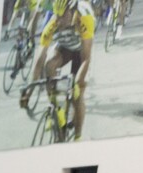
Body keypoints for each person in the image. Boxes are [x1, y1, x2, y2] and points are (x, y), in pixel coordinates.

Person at [25, 0, 95, 139]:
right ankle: (56, 111)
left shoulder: (85, 18)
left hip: (81, 50)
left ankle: (77, 136)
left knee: (77, 94)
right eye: (57, 16)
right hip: (65, 46)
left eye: (63, 16)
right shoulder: (53, 22)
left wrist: (77, 83)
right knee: (49, 65)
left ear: (73, 11)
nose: (60, 21)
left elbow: (86, 58)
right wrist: (30, 89)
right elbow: (40, 58)